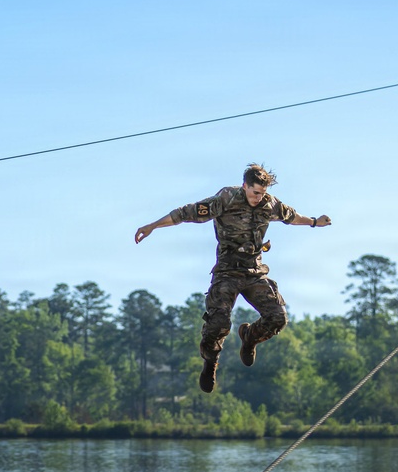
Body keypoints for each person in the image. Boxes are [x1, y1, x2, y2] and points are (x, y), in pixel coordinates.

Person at [134, 163, 331, 393]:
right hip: (227, 271)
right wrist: (153, 226)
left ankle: (249, 337)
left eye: (262, 193)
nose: (258, 198)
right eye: (255, 192)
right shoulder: (225, 198)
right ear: (245, 186)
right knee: (218, 323)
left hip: (253, 271)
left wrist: (315, 222)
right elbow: (185, 213)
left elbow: (292, 216)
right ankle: (210, 362)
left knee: (278, 317)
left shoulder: (270, 204)